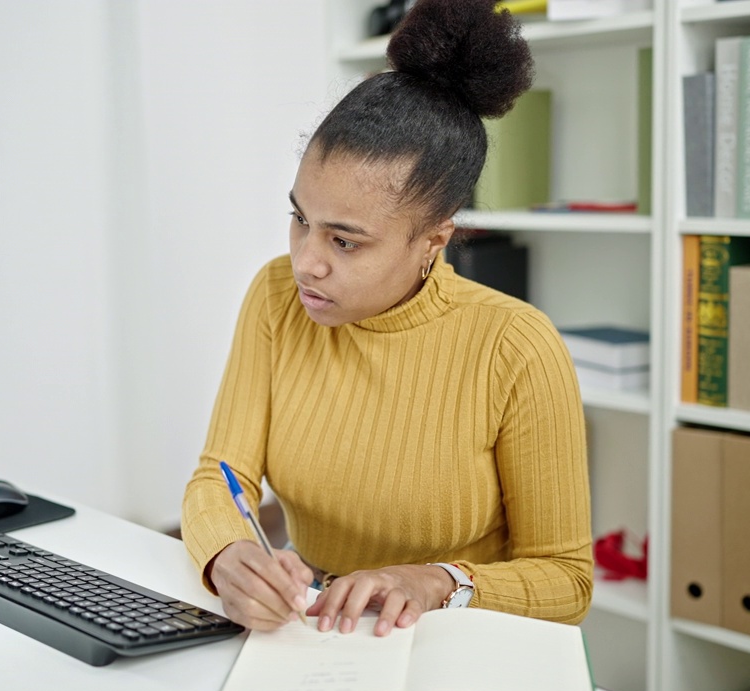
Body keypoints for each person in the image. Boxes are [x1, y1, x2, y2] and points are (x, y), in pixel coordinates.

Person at [181, 0, 592, 638]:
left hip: (455, 638)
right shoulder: (273, 298)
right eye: (300, 220)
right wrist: (228, 554)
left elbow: (567, 580)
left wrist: (434, 580)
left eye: (344, 242)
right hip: (313, 629)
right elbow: (221, 475)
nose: (306, 263)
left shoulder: (515, 346)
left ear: (433, 239)